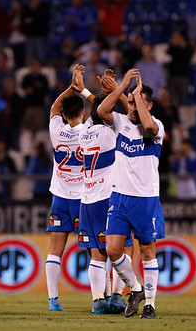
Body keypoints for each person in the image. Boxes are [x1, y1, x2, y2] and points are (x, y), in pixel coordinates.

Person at [97, 69, 165, 319]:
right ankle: (136, 290)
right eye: (131, 104)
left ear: (148, 104)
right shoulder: (122, 122)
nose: (133, 108)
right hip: (119, 197)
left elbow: (147, 124)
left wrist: (134, 96)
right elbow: (102, 111)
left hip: (146, 199)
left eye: (138, 103)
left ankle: (150, 304)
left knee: (148, 252)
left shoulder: (157, 127)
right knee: (113, 250)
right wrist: (122, 86)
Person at [74, 69, 133, 315]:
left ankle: (98, 300)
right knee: (125, 248)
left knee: (97, 255)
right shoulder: (112, 133)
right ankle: (118, 297)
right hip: (110, 199)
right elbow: (130, 114)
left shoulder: (83, 131)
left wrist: (92, 92)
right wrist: (118, 90)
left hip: (87, 200)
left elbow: (97, 109)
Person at [45, 65, 90, 311]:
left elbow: (53, 108)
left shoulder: (56, 130)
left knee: (55, 250)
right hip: (85, 198)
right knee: (96, 249)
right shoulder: (90, 131)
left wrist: (69, 89)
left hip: (60, 197)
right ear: (83, 112)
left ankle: (53, 301)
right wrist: (82, 91)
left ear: (63, 115)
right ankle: (99, 298)